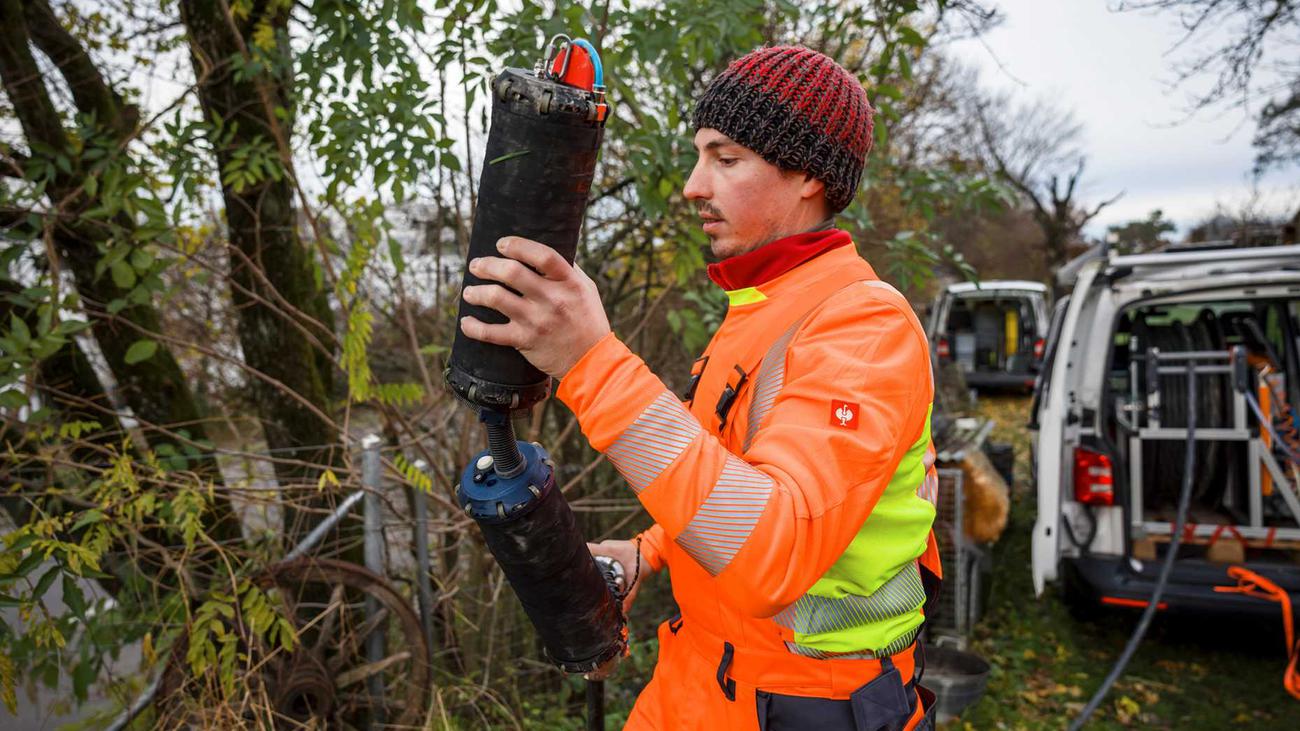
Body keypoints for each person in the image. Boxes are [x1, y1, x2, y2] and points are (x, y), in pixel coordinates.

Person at [459, 45, 941, 731]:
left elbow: (775, 547)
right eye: (698, 156)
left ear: (805, 171)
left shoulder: (863, 326)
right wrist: (647, 551)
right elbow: (734, 475)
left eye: (725, 158)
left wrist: (591, 360)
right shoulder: (764, 306)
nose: (693, 185)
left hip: (809, 703)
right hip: (699, 677)